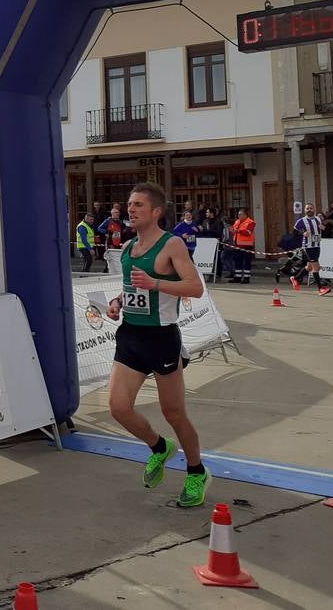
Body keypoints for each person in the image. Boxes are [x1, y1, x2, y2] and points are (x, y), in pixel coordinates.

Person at [105, 183, 210, 508]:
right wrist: (118, 301)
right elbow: (132, 288)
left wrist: (157, 283)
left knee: (174, 412)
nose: (130, 209)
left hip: (161, 338)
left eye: (138, 205)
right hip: (131, 335)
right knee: (119, 408)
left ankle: (196, 471)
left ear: (156, 212)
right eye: (129, 204)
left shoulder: (172, 244)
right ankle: (158, 447)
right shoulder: (127, 248)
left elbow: (195, 288)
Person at [293, 202, 330, 295]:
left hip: (317, 245)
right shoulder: (301, 221)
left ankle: (295, 278)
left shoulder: (318, 219)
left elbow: (322, 229)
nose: (309, 210)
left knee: (309, 267)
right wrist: (303, 233)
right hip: (308, 246)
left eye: (311, 208)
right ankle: (320, 289)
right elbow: (294, 233)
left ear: (314, 209)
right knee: (316, 267)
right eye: (307, 208)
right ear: (305, 210)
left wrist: (323, 228)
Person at [230, 208, 256, 284]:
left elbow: (248, 232)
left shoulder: (251, 222)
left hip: (247, 245)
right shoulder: (237, 222)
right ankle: (237, 277)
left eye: (240, 214)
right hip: (237, 245)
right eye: (238, 214)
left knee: (247, 262)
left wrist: (238, 231)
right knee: (237, 261)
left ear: (245, 215)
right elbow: (234, 230)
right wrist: (231, 230)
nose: (238, 215)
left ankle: (246, 278)